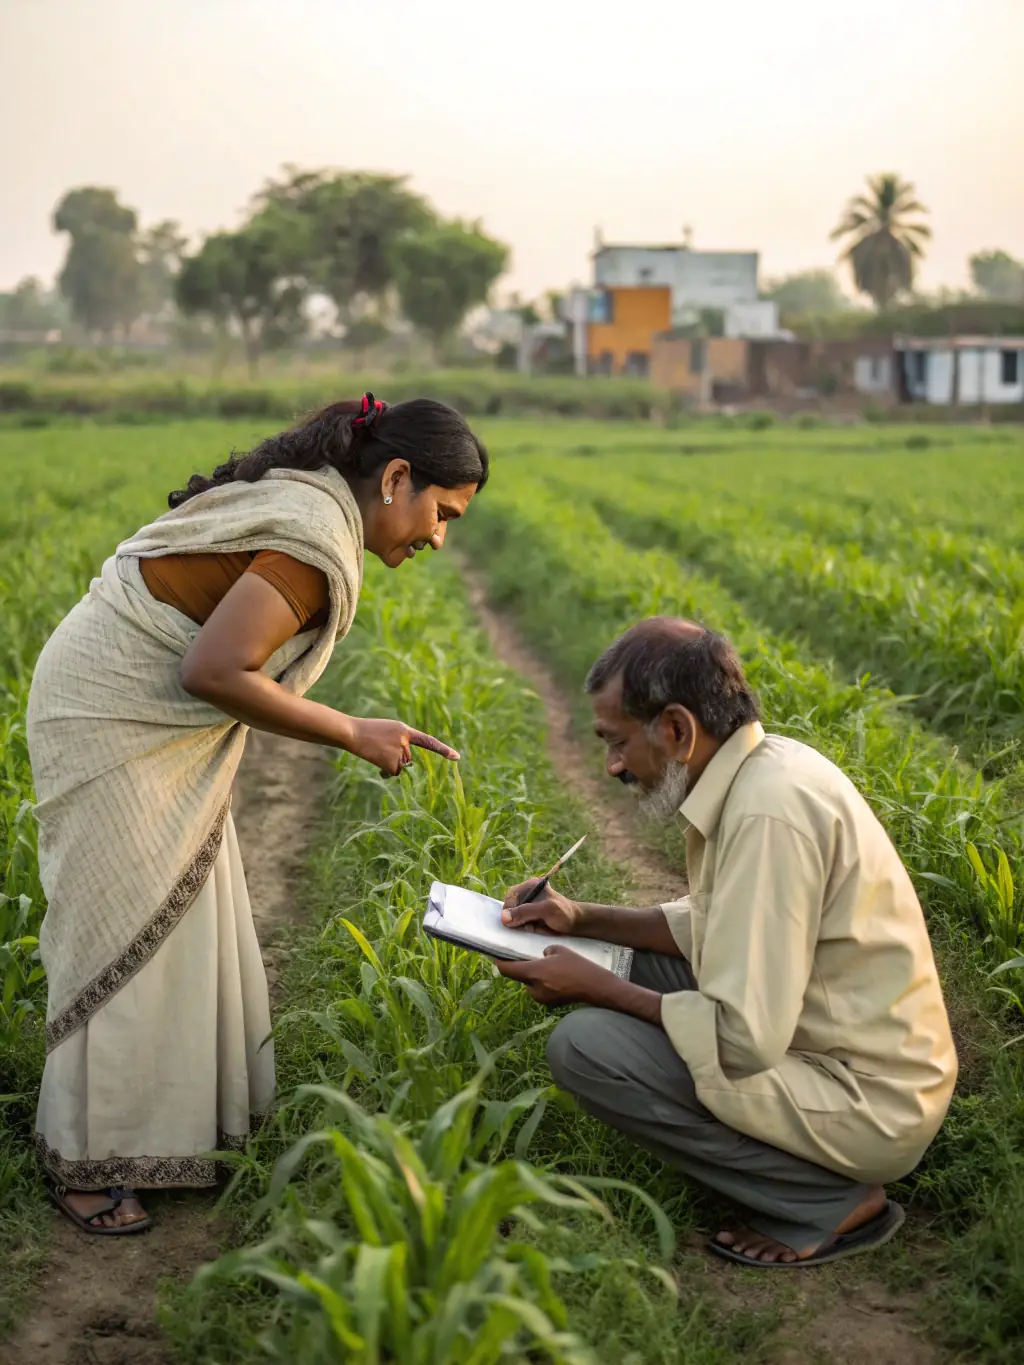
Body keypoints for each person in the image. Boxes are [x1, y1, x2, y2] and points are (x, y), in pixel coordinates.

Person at [28, 393, 488, 1235]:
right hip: (106, 711)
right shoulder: (312, 545)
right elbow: (214, 670)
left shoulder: (316, 512)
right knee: (124, 924)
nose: (437, 537)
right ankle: (86, 1157)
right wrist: (351, 731)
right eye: (441, 511)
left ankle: (177, 1130)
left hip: (130, 699)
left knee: (184, 904)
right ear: (395, 478)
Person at [496, 618, 957, 1268]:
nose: (614, 765)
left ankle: (827, 1199)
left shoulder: (767, 813)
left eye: (618, 742)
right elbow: (711, 922)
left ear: (678, 729)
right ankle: (806, 1176)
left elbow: (744, 1037)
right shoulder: (761, 772)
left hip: (867, 1099)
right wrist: (581, 916)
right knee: (640, 961)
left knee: (586, 1047)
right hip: (832, 1044)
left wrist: (602, 989)